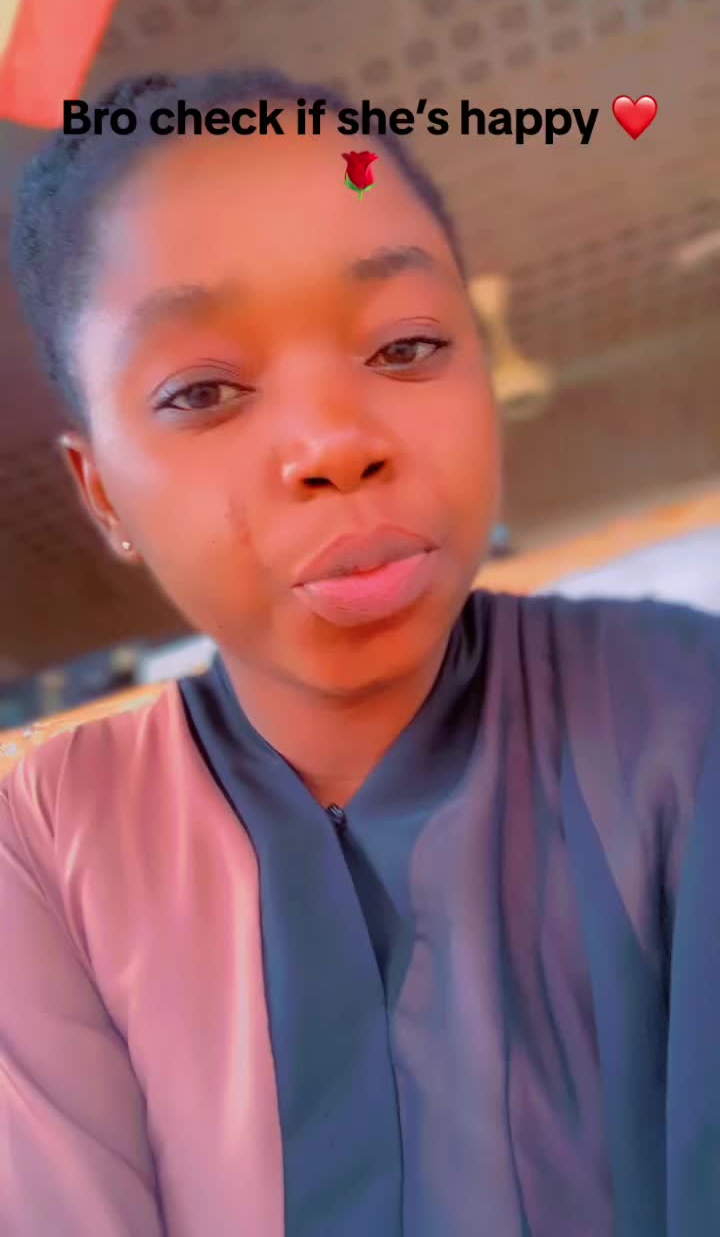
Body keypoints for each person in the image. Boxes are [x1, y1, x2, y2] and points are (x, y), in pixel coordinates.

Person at [1, 67, 719, 1237]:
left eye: (406, 345)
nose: (336, 442)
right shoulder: (49, 841)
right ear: (102, 495)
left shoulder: (683, 707)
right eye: (203, 390)